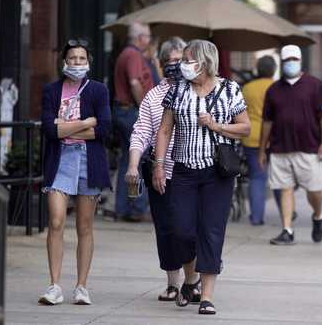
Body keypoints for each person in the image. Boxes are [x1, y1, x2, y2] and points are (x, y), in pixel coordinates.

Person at [154, 39, 250, 315]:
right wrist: (160, 165)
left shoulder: (229, 89)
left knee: (211, 231)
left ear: (205, 61)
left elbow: (245, 128)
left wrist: (216, 125)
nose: (183, 65)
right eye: (183, 59)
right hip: (184, 170)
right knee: (181, 230)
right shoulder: (177, 91)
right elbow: (164, 130)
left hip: (216, 172)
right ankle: (191, 279)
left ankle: (206, 296)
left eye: (188, 59)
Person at [125, 37, 201, 305]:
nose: (174, 66)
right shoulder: (153, 96)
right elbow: (141, 132)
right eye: (169, 62)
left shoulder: (198, 92)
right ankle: (173, 283)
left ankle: (191, 281)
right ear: (159, 64)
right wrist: (133, 164)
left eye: (180, 61)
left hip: (191, 172)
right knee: (167, 230)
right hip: (159, 173)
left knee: (187, 230)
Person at [39, 39, 111, 305]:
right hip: (60, 161)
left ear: (88, 62)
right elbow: (49, 130)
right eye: (72, 58)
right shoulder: (51, 90)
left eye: (81, 59)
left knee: (84, 225)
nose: (76, 63)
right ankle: (54, 285)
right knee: (56, 220)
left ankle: (81, 286)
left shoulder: (98, 91)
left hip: (88, 161)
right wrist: (83, 123)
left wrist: (64, 126)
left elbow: (103, 129)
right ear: (64, 62)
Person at [258, 44, 322, 245]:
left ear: (300, 61)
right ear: (282, 62)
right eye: (287, 60)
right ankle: (287, 230)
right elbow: (267, 121)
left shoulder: (314, 85)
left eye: (294, 60)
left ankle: (318, 215)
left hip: (309, 147)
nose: (290, 63)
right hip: (280, 148)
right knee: (285, 188)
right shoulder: (273, 90)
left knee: (314, 190)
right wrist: (263, 149)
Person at [113, 22, 155, 222]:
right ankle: (136, 208)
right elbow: (134, 82)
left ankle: (123, 207)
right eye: (147, 36)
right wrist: (144, 107)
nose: (149, 40)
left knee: (127, 161)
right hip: (131, 112)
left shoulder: (128, 54)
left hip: (125, 111)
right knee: (138, 160)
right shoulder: (133, 55)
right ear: (140, 37)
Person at [241, 55, 277, 225]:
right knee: (279, 178)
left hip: (251, 136)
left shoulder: (247, 88)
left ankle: (256, 217)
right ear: (274, 69)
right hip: (274, 136)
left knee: (257, 177)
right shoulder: (277, 87)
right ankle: (287, 211)